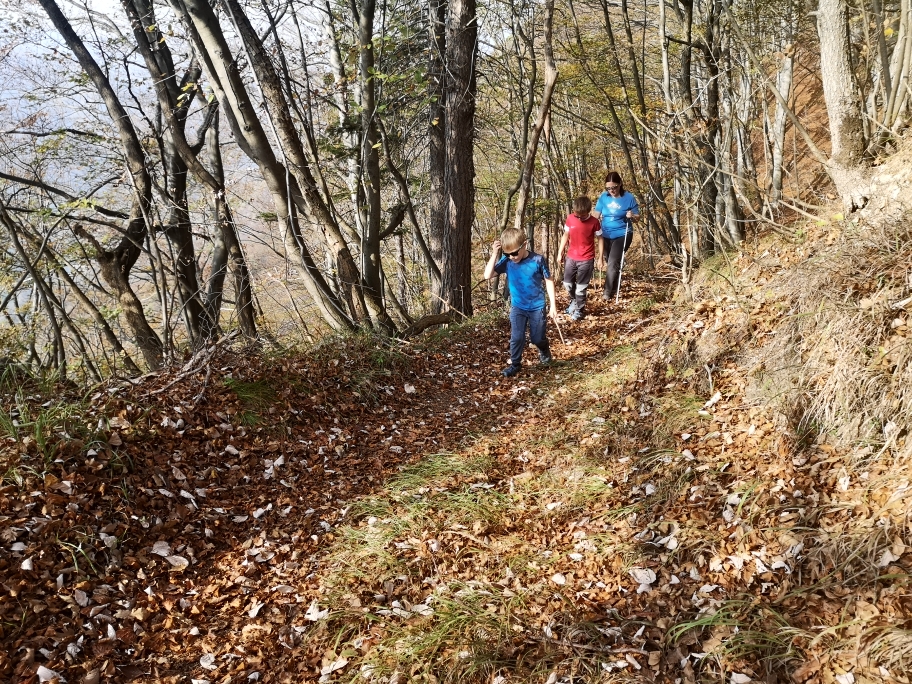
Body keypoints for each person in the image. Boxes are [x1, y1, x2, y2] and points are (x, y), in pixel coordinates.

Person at [483, 227, 558, 377]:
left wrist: (553, 306)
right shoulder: (507, 262)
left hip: (537, 307)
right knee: (517, 337)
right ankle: (515, 364)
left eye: (515, 253)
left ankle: (544, 349)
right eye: (507, 253)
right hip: (518, 307)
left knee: (537, 338)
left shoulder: (537, 260)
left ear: (524, 245)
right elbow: (487, 275)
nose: (512, 256)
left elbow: (549, 280)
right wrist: (495, 254)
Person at [593, 171, 639, 301]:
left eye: (614, 187)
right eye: (608, 188)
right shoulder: (603, 197)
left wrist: (632, 216)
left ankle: (607, 292)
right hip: (605, 234)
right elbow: (596, 215)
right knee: (611, 262)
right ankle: (614, 288)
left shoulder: (629, 197)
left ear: (620, 184)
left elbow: (637, 217)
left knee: (613, 262)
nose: (611, 190)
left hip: (623, 234)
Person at [557, 196, 603, 321]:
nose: (579, 218)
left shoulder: (594, 222)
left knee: (581, 287)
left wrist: (600, 258)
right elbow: (565, 235)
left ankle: (579, 310)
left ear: (588, 212)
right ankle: (574, 301)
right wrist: (560, 253)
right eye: (577, 215)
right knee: (567, 283)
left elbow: (600, 239)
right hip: (571, 257)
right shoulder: (570, 218)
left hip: (586, 259)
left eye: (582, 216)